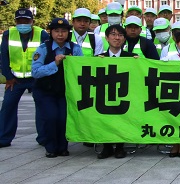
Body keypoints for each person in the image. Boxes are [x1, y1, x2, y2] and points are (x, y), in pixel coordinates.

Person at [31, 18, 84, 157]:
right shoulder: (43, 48)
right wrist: (55, 64)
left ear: (68, 33)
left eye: (64, 31)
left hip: (64, 91)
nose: (60, 34)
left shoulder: (75, 48)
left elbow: (82, 69)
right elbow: (35, 71)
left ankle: (63, 147)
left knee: (63, 118)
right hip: (45, 90)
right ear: (51, 32)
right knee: (50, 117)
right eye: (56, 31)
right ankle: (51, 147)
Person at [0, 9, 49, 148]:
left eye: (26, 21)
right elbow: (4, 57)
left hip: (36, 78)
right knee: (8, 106)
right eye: (19, 21)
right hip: (15, 79)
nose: (23, 24)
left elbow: (47, 55)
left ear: (32, 21)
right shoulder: (9, 34)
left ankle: (43, 138)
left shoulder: (42, 34)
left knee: (41, 107)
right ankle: (4, 138)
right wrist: (8, 77)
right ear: (15, 22)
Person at [96, 24, 137, 159]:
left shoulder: (131, 57)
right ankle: (106, 147)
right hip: (105, 94)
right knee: (105, 120)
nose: (117, 38)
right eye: (113, 34)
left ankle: (120, 147)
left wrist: (139, 63)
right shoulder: (98, 58)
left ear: (124, 39)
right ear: (107, 38)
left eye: (120, 35)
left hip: (124, 94)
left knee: (122, 120)